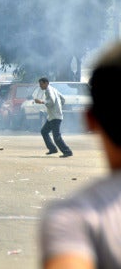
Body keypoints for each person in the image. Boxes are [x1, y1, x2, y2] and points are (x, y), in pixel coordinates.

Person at [39, 42, 121, 269]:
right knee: (48, 133)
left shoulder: (77, 216)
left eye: (42, 82)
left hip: (54, 117)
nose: (42, 85)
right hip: (53, 117)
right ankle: (58, 149)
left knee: (53, 134)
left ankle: (64, 150)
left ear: (90, 120)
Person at [35, 77, 73, 158]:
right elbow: (63, 99)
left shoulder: (48, 90)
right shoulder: (53, 89)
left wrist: (41, 101)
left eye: (41, 84)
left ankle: (67, 151)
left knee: (56, 136)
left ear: (46, 83)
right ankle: (52, 149)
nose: (40, 86)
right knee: (44, 131)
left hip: (55, 117)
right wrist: (58, 108)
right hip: (52, 116)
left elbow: (51, 102)